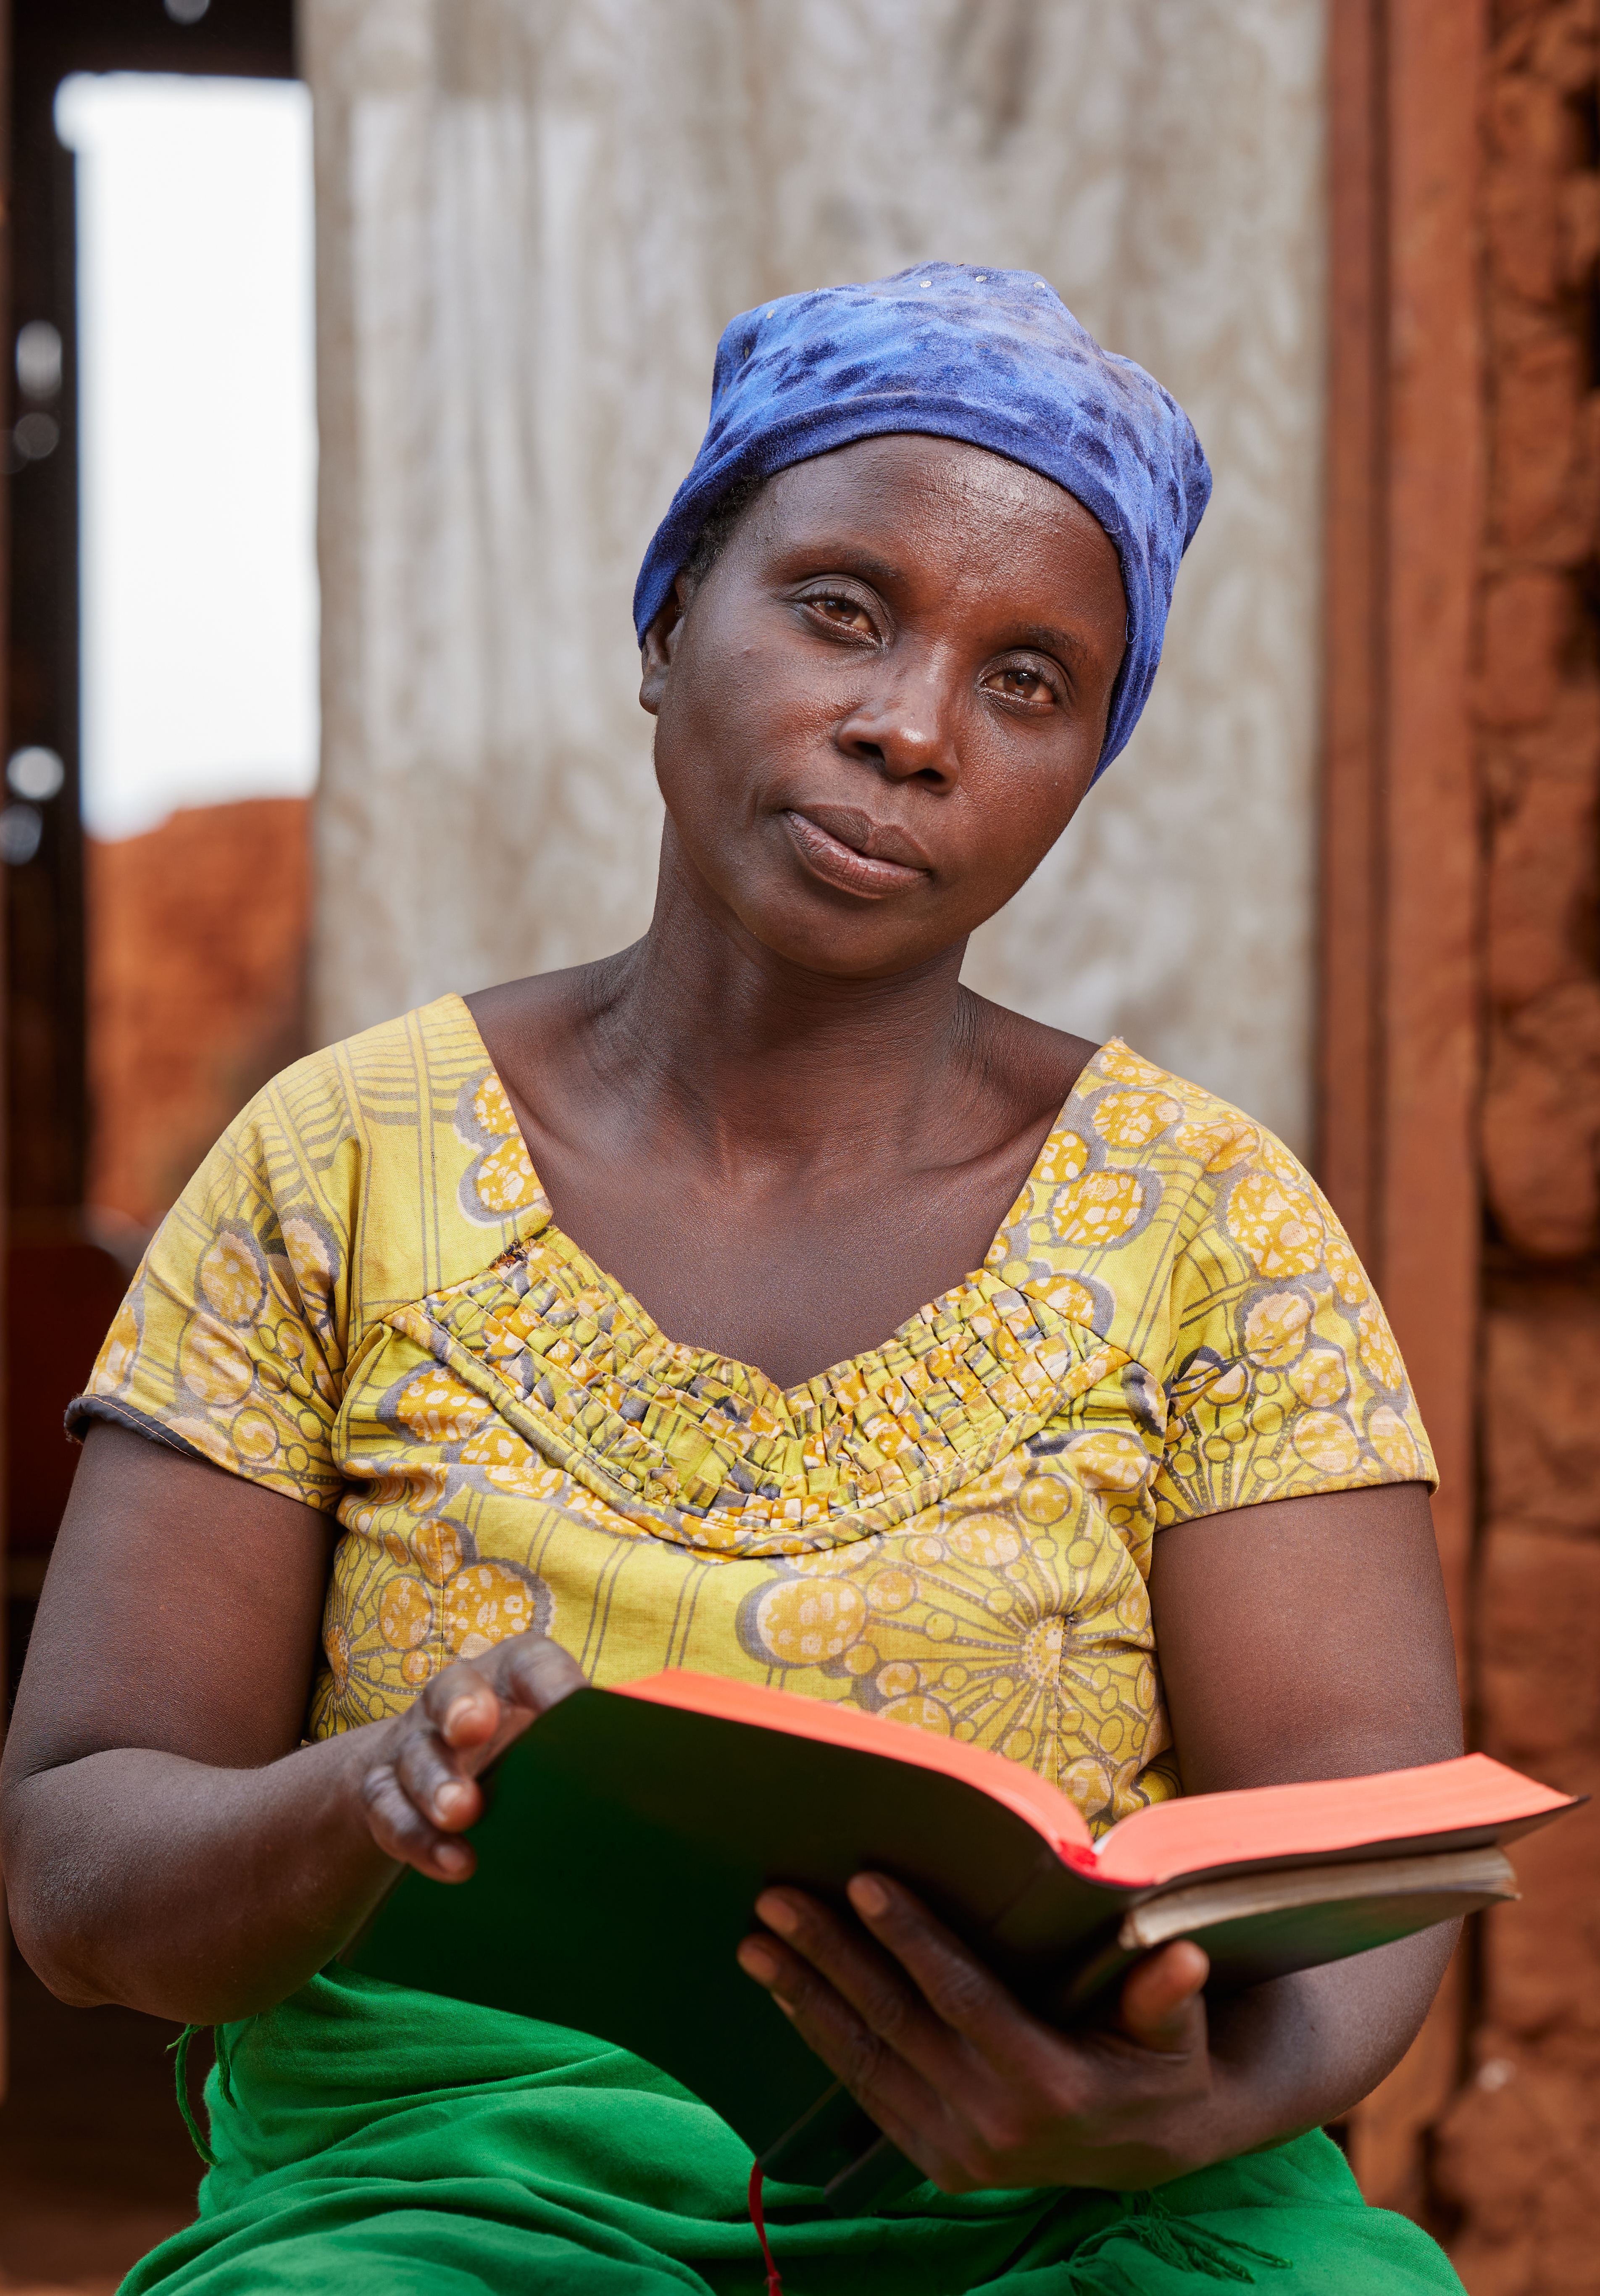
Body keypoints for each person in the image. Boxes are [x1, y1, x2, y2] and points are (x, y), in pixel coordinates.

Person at [0, 264, 1468, 2294]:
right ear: (669, 616)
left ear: (1085, 768)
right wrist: (370, 1802)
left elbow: (1369, 1832)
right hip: (452, 2198)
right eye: (840, 610)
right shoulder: (336, 1165)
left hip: (1068, 2212)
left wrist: (1183, 2105)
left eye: (1028, 681)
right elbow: (80, 1867)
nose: (909, 727)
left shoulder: (1210, 1222)